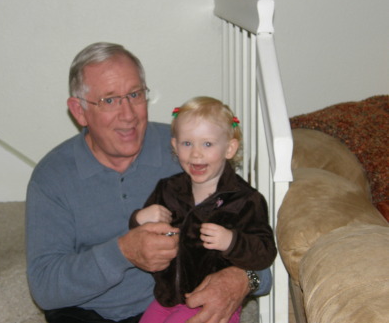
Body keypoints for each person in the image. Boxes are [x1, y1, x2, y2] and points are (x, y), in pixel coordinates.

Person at [26, 42, 272, 323]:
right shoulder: (53, 176)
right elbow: (44, 287)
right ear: (79, 111)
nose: (129, 114)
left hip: (173, 304)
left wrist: (243, 279)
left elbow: (257, 244)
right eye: (109, 100)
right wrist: (122, 253)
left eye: (135, 94)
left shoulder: (190, 153)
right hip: (84, 312)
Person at [130, 97, 277, 323]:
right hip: (166, 297)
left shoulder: (245, 199)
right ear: (174, 146)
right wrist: (138, 219)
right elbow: (141, 238)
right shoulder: (167, 189)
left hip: (210, 301)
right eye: (187, 143)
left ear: (229, 148)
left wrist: (232, 241)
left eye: (207, 144)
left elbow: (265, 251)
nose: (196, 154)